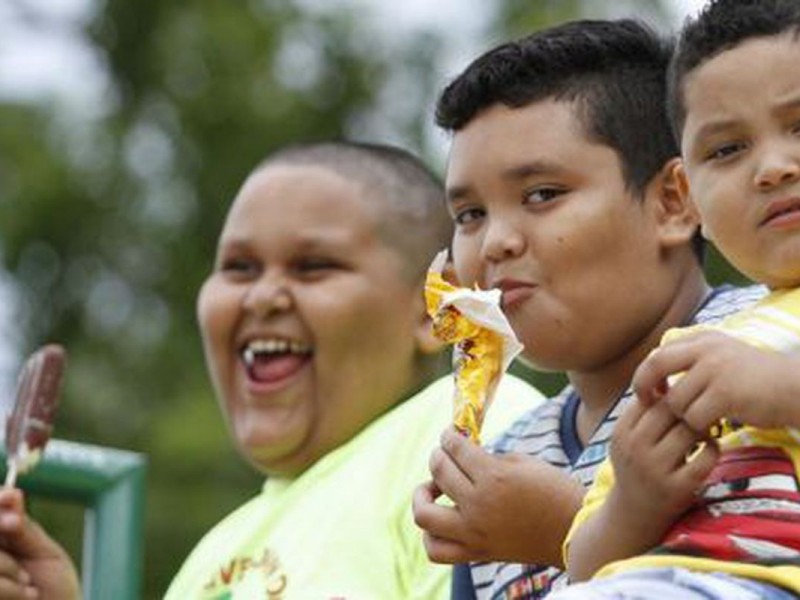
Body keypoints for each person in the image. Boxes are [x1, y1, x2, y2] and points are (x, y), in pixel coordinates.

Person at [0, 141, 544, 599]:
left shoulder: (471, 439)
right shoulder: (215, 549)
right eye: (239, 268)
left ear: (435, 307)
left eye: (313, 267)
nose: (262, 296)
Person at [410, 18, 767, 599]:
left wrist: (563, 529)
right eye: (470, 215)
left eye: (542, 195)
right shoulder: (501, 465)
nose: (495, 241)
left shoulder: (765, 350)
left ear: (674, 202)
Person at [557, 1, 800, 597]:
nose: (771, 168)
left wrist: (781, 388)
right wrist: (634, 503)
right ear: (691, 201)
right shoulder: (694, 353)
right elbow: (581, 565)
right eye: (726, 150)